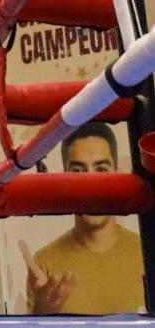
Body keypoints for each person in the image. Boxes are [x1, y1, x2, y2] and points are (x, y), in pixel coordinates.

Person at [24, 122, 146, 315]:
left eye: (101, 170)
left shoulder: (148, 255)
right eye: (78, 172)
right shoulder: (44, 264)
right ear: (64, 181)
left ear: (118, 175)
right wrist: (41, 317)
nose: (91, 186)